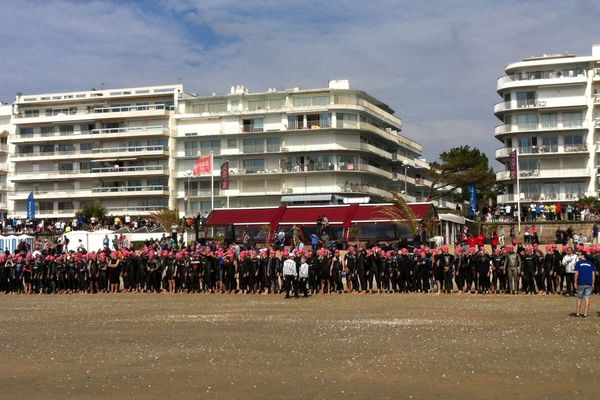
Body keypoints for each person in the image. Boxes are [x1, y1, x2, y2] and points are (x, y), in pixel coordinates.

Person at [573, 251, 596, 318]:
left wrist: (575, 282)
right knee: (587, 298)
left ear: (583, 255)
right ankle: (585, 314)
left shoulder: (578, 263)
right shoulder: (590, 263)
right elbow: (593, 274)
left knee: (579, 298)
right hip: (589, 283)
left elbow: (576, 273)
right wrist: (593, 283)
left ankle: (577, 313)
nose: (578, 256)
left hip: (581, 282)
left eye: (579, 255)